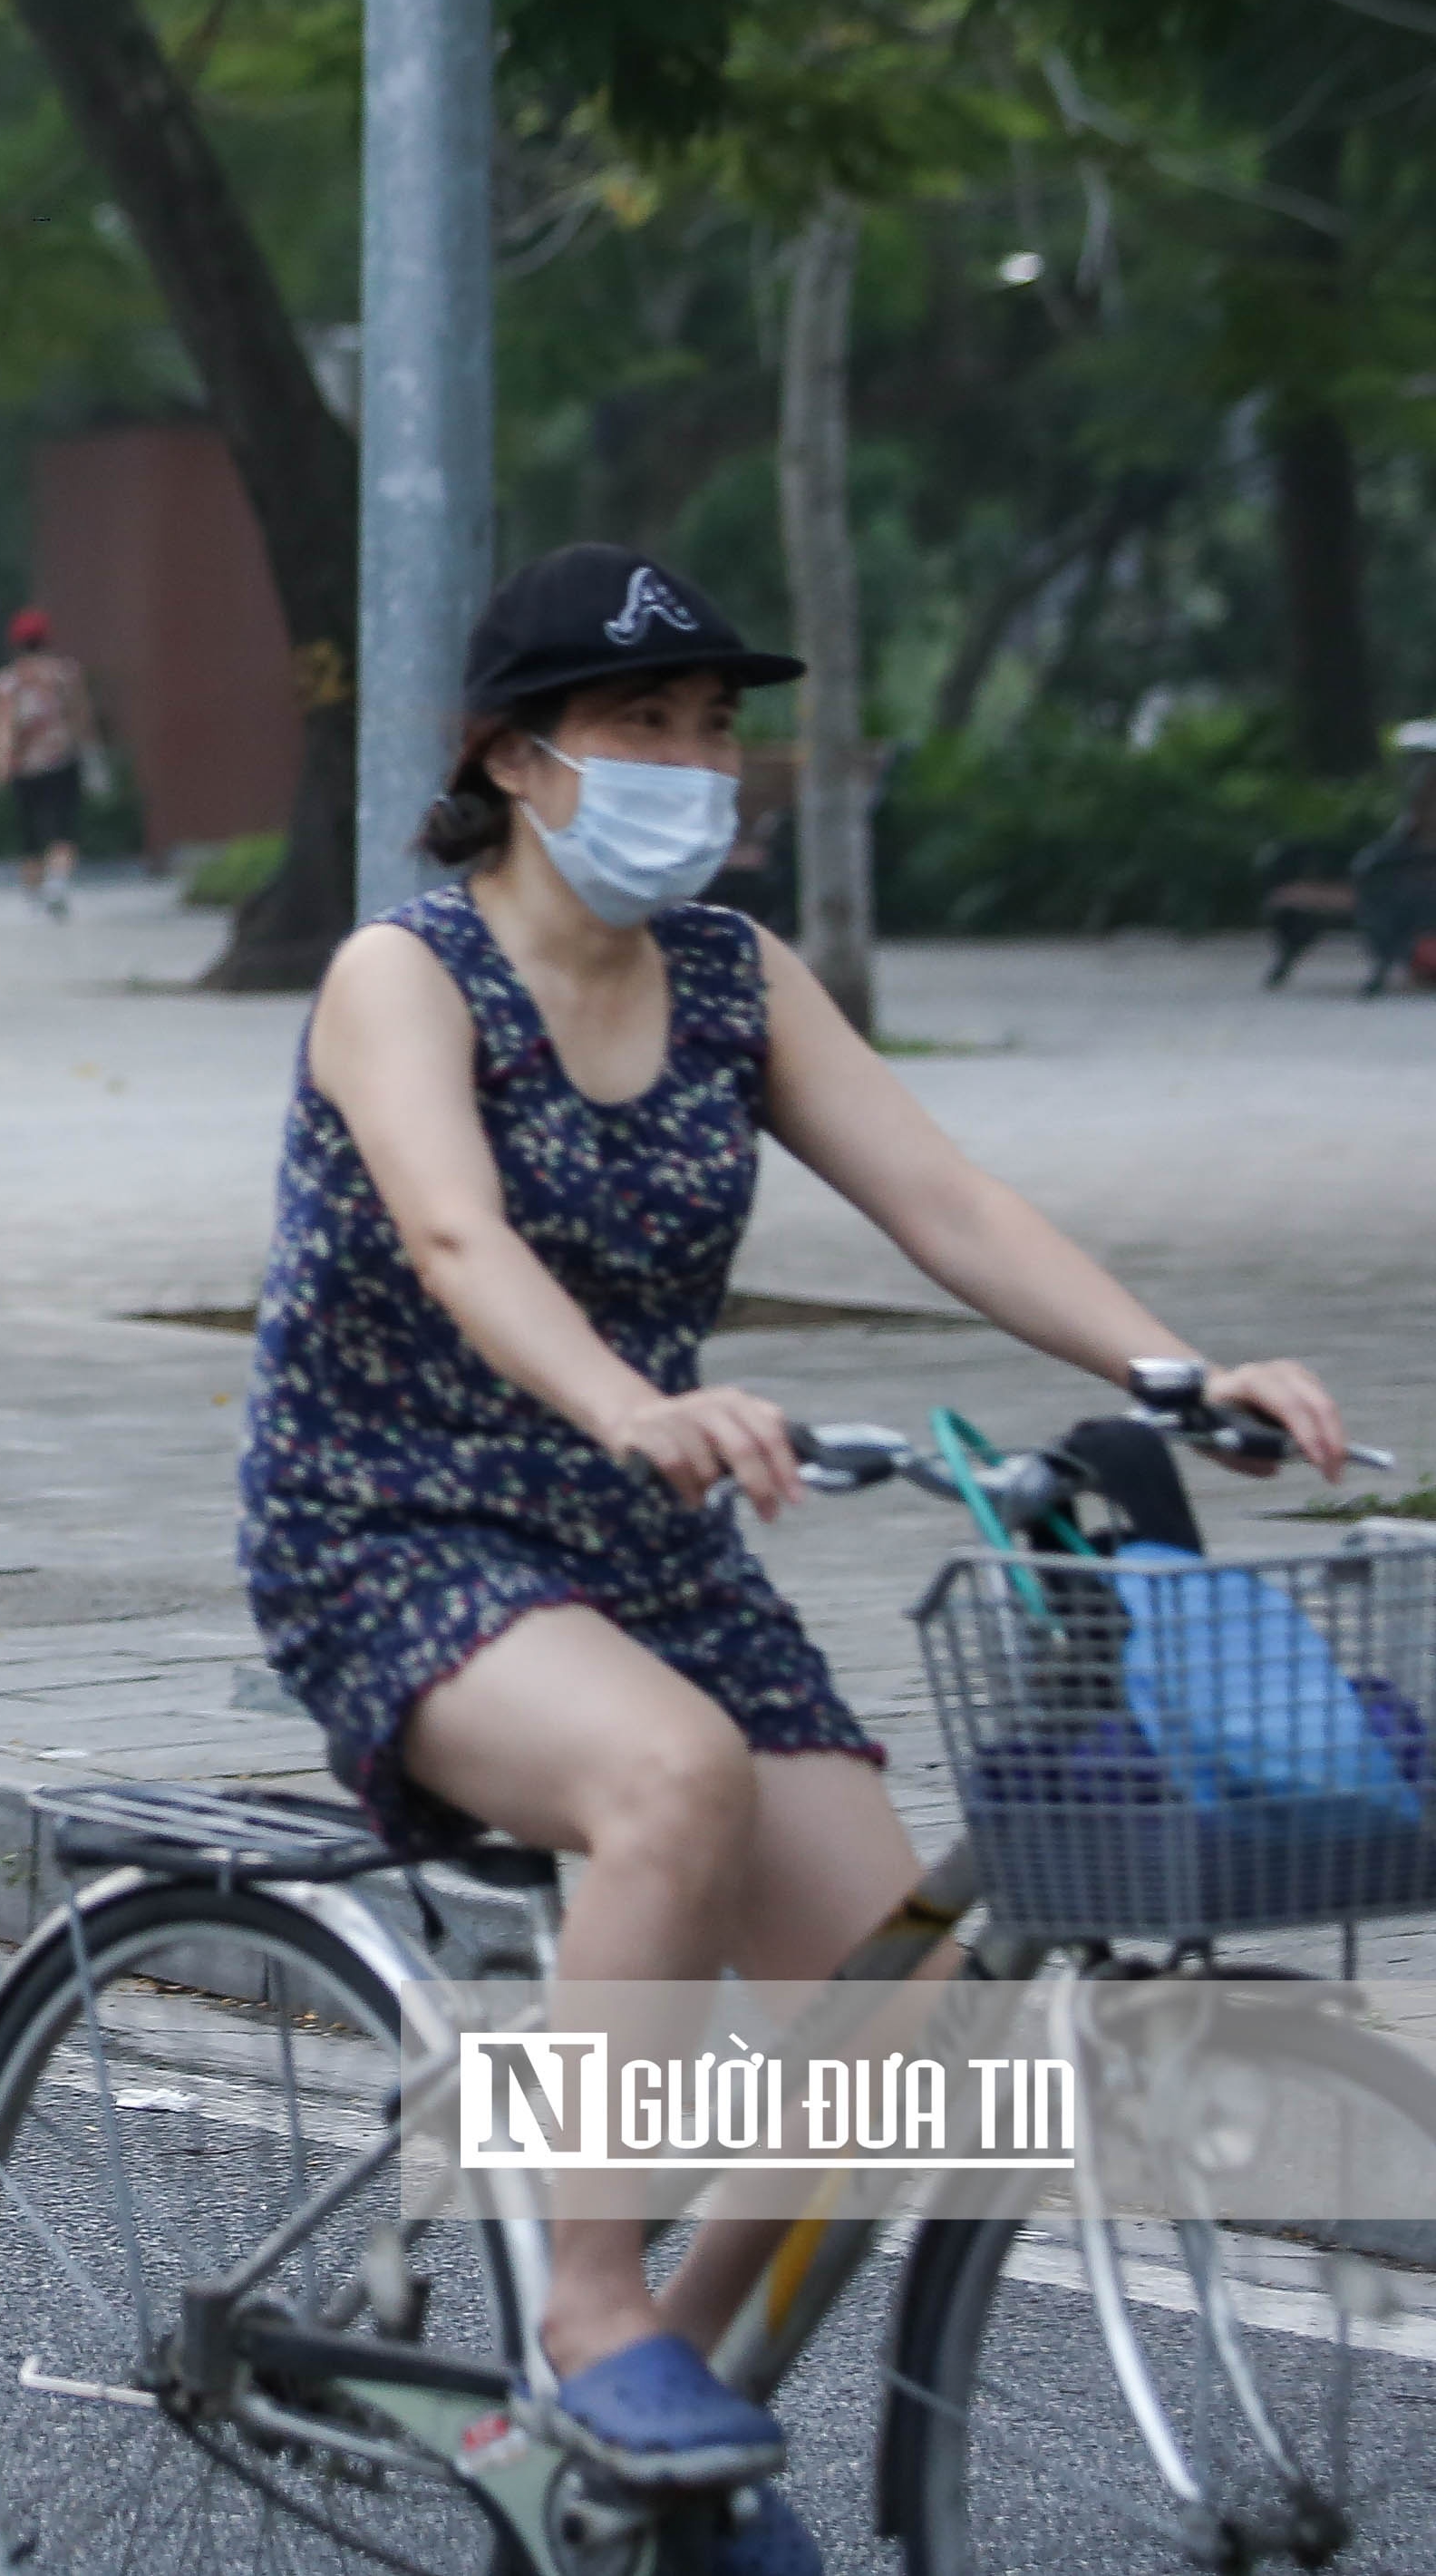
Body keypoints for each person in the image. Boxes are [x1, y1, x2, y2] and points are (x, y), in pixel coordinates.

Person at [240, 541, 1349, 2561]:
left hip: (645, 1543)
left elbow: (950, 1202)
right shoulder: (401, 972)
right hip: (394, 1518)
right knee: (666, 1774)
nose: (692, 762)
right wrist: (633, 1402)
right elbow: (454, 1237)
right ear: (515, 756)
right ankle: (587, 2307)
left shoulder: (736, 975)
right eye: (640, 724)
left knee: (913, 2012)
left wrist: (1183, 1375)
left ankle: (639, 2415)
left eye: (712, 726)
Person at [0, 605, 100, 918]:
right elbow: (81, 716)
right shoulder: (65, 674)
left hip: (24, 766)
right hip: (62, 759)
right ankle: (58, 883)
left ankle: (35, 895)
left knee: (30, 832)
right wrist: (90, 753)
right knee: (64, 826)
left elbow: (3, 726)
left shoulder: (6, 682)